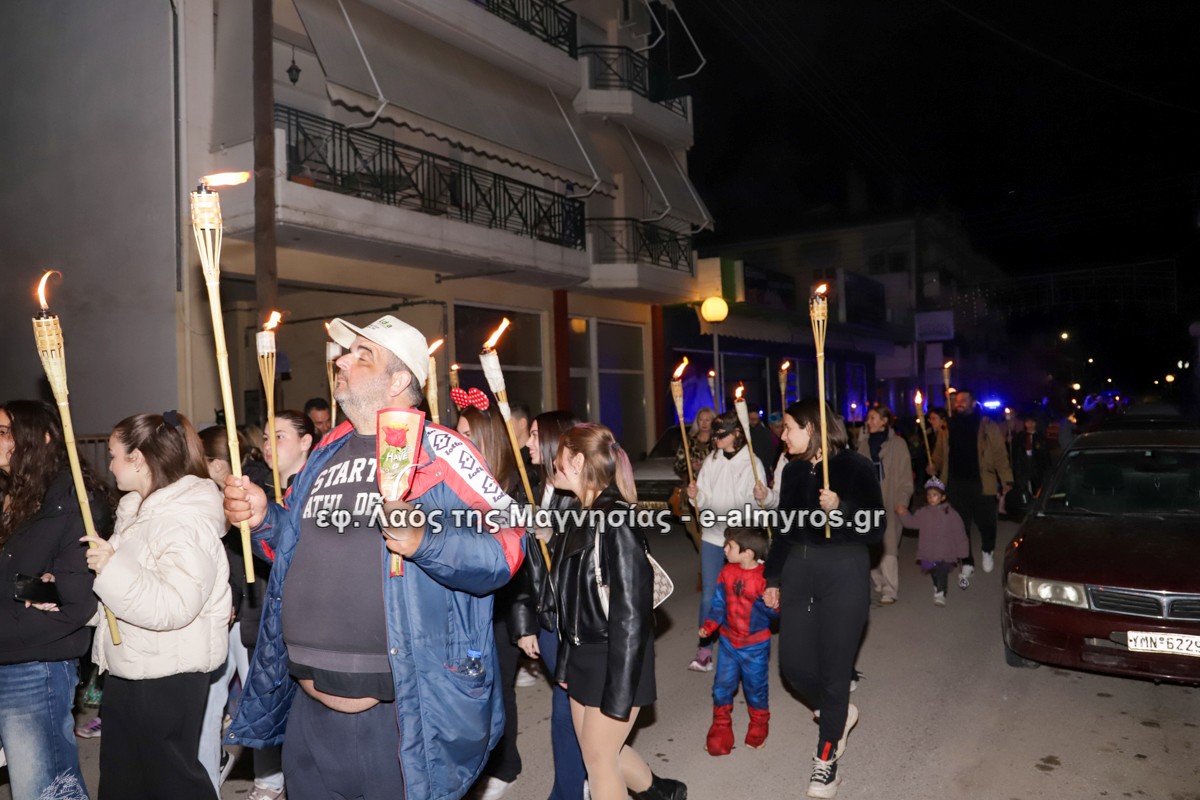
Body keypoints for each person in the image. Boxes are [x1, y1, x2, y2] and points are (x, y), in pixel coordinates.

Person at [223, 315, 524, 800]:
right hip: (308, 705)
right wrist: (262, 519)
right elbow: (292, 545)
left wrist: (426, 540)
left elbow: (507, 546)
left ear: (399, 380)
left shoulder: (441, 449)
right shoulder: (328, 449)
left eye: (363, 356)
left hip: (398, 716)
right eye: (347, 353)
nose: (342, 362)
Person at [84, 410, 231, 799]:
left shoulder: (183, 519)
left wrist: (111, 568)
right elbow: (123, 592)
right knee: (124, 777)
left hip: (168, 672)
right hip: (133, 664)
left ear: (137, 458)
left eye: (114, 455)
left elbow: (174, 604)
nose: (110, 465)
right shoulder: (139, 512)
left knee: (170, 780)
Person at [549, 424, 686, 800]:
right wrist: (565, 665)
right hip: (583, 654)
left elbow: (631, 617)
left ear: (577, 461)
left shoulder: (617, 522)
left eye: (559, 456)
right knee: (598, 752)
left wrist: (620, 688)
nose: (553, 464)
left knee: (599, 760)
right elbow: (571, 603)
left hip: (617, 657)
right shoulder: (577, 513)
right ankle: (663, 793)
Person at [762, 399, 884, 799]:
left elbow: (876, 528)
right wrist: (773, 577)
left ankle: (826, 763)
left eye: (789, 428)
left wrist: (842, 509)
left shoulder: (855, 466)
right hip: (799, 571)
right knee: (794, 666)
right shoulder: (793, 470)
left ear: (811, 428)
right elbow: (784, 529)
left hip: (844, 572)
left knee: (835, 670)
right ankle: (837, 712)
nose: (783, 436)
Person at [0, 400, 112, 800]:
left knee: (43, 788)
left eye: (4, 432)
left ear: (42, 439)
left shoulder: (73, 502)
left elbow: (77, 602)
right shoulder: (16, 495)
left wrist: (40, 591)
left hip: (34, 666)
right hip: (11, 649)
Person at [235, 410, 316, 800]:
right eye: (266, 437)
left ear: (306, 442)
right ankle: (269, 779)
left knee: (304, 708)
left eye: (280, 436)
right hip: (261, 608)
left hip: (303, 614)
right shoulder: (257, 487)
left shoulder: (318, 488)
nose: (269, 445)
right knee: (266, 692)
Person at [511, 410, 587, 800]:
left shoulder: (579, 492)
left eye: (536, 435)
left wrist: (554, 536)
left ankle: (571, 790)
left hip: (577, 620)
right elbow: (522, 567)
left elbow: (590, 556)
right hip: (547, 621)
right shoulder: (528, 488)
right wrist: (524, 623)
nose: (528, 442)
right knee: (570, 711)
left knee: (570, 712)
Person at [457, 402, 524, 800]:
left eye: (466, 434)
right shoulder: (457, 483)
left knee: (499, 690)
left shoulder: (508, 488)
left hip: (500, 608)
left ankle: (506, 764)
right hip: (466, 607)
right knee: (470, 692)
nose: (458, 440)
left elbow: (517, 563)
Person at [685, 411, 764, 671]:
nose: (716, 438)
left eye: (722, 434)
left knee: (742, 593)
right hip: (713, 536)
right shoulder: (712, 460)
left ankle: (746, 645)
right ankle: (704, 650)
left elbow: (757, 505)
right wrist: (695, 496)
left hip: (740, 539)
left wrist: (760, 497)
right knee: (709, 593)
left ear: (737, 434)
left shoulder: (752, 463)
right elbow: (704, 498)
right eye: (715, 433)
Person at [699, 526, 777, 756]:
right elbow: (718, 604)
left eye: (730, 546)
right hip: (728, 643)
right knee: (721, 688)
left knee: (756, 689)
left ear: (748, 553)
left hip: (755, 647)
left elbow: (776, 613)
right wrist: (709, 625)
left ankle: (759, 726)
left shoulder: (765, 578)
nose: (724, 549)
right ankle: (720, 731)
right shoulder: (727, 572)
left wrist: (772, 604)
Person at [931, 389, 1012, 583]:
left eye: (963, 400)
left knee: (987, 522)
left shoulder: (987, 425)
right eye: (957, 401)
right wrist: (933, 464)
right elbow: (939, 453)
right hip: (956, 483)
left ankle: (987, 550)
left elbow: (1000, 453)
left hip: (981, 482)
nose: (959, 404)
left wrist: (1006, 479)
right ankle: (967, 562)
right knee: (959, 526)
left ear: (973, 403)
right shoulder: (947, 426)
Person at [855, 407, 913, 604]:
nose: (868, 421)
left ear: (884, 421)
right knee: (869, 544)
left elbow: (905, 476)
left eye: (873, 418)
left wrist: (902, 500)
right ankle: (878, 580)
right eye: (868, 418)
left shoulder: (898, 444)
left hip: (889, 501)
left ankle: (890, 589)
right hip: (868, 503)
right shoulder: (864, 445)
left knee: (888, 546)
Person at [896, 478, 968, 606]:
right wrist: (903, 514)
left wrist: (962, 551)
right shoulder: (923, 513)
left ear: (943, 497)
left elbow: (959, 533)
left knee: (941, 572)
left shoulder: (950, 514)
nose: (931, 498)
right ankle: (937, 586)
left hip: (945, 552)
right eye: (929, 495)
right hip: (928, 552)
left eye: (935, 495)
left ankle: (941, 592)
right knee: (933, 572)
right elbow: (912, 523)